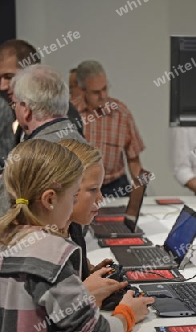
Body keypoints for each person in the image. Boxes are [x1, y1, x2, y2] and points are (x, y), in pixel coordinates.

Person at [0, 139, 154, 332]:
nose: (74, 207)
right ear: (50, 199)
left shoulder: (7, 239)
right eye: (73, 197)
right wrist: (128, 312)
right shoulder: (52, 254)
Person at [0, 63, 87, 218]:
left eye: (15, 104)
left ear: (26, 109)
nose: (14, 109)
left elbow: (4, 213)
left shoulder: (32, 156)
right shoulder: (82, 145)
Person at [58, 138, 129, 304]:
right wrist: (127, 315)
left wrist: (89, 272)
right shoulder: (46, 247)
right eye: (92, 189)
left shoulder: (73, 228)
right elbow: (60, 315)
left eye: (100, 188)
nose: (100, 197)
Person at [72, 60, 145, 198]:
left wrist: (140, 192)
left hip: (114, 186)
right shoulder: (70, 113)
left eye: (105, 89)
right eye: (96, 92)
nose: (102, 96)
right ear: (82, 90)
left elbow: (133, 159)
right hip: (79, 186)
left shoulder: (121, 113)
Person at [0, 39, 84, 140]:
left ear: (32, 72)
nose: (2, 86)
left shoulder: (60, 114)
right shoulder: (18, 112)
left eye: (9, 77)